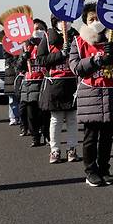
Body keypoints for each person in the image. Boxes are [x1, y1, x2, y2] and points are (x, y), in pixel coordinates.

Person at [69, 2, 113, 187]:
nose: (96, 21)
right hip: (90, 93)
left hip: (111, 93)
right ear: (86, 22)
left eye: (98, 18)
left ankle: (104, 169)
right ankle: (90, 171)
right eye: (92, 19)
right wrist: (96, 60)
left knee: (107, 137)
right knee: (90, 137)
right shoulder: (79, 41)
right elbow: (76, 67)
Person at [37, 15, 80, 164]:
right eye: (62, 20)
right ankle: (54, 150)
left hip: (72, 83)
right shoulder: (48, 37)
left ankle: (72, 149)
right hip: (55, 83)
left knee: (72, 119)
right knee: (56, 119)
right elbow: (41, 60)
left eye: (68, 20)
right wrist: (60, 54)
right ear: (55, 22)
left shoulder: (76, 34)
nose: (65, 23)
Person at [17, 19, 50, 147]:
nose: (37, 31)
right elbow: (19, 67)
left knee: (45, 114)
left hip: (44, 83)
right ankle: (35, 137)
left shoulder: (48, 45)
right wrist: (23, 57)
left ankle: (47, 136)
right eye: (35, 28)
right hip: (30, 85)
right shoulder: (26, 46)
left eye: (40, 28)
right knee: (31, 115)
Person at [3, 48, 21, 127]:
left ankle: (20, 117)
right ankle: (13, 117)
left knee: (21, 100)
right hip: (11, 78)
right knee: (12, 100)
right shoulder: (7, 46)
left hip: (20, 77)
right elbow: (6, 56)